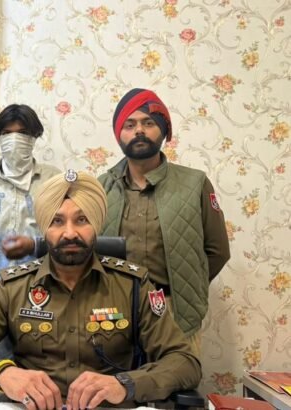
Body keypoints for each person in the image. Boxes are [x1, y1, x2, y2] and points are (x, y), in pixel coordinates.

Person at [0, 170, 201, 409]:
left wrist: (126, 384)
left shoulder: (133, 285)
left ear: (97, 225)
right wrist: (2, 373)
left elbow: (184, 361)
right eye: (57, 221)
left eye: (82, 220)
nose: (69, 233)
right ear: (44, 228)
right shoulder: (13, 286)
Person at [98, 88, 230, 343]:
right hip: (114, 313)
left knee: (180, 370)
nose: (139, 130)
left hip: (176, 314)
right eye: (129, 124)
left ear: (163, 129)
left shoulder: (195, 184)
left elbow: (218, 251)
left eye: (148, 123)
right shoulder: (100, 188)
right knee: (114, 371)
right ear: (118, 134)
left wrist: (185, 288)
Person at [0, 104, 59, 310]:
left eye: (23, 132)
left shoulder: (53, 179)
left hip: (44, 293)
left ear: (35, 136)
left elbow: (60, 236)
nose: (15, 139)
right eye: (7, 133)